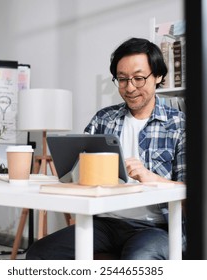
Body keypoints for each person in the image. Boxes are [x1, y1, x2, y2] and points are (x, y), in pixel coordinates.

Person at [25, 37, 186, 260]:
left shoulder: (179, 124)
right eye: (122, 79)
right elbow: (74, 174)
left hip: (155, 228)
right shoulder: (104, 119)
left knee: (137, 261)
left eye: (139, 79)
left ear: (158, 76)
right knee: (39, 253)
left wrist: (153, 178)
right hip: (104, 223)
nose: (130, 88)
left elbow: (193, 194)